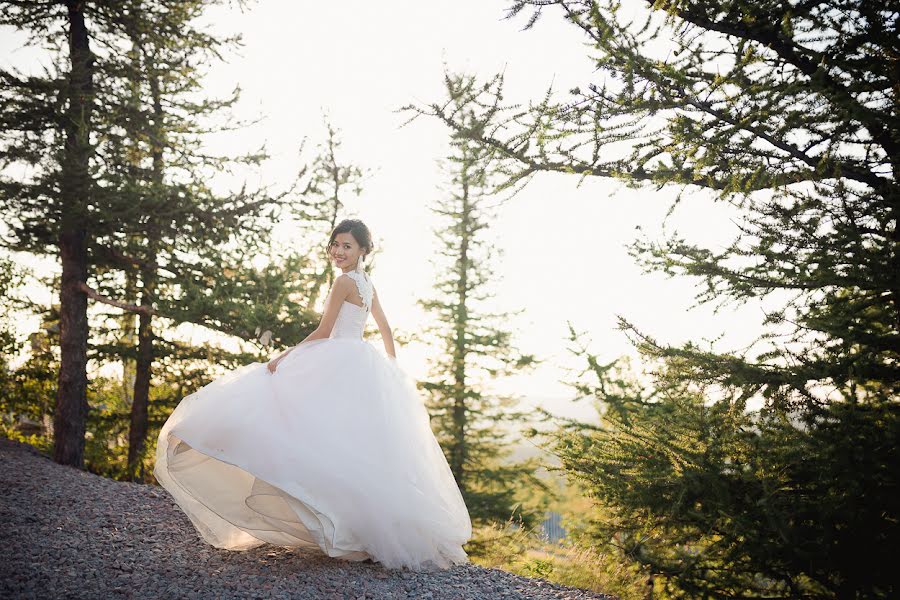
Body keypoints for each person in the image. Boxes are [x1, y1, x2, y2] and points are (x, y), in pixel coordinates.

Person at [154, 218, 472, 571]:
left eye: (347, 246)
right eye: (335, 244)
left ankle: (344, 527)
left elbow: (323, 331)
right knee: (352, 448)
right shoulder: (367, 284)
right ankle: (362, 531)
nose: (339, 251)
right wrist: (391, 367)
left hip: (338, 358)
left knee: (311, 433)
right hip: (360, 362)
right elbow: (384, 328)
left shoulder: (344, 282)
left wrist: (285, 355)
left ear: (363, 250)